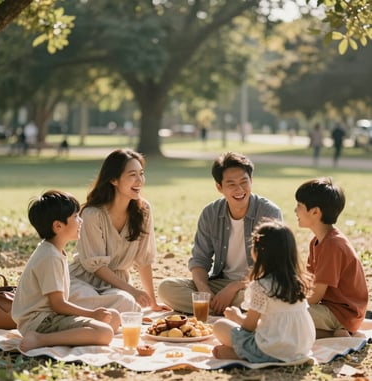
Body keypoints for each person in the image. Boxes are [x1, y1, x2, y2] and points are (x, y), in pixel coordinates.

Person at [158, 152, 283, 315]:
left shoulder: (268, 212)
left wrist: (234, 287)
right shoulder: (210, 213)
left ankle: (217, 308)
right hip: (220, 284)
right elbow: (200, 260)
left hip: (258, 284)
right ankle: (231, 309)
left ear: (251, 181)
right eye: (231, 184)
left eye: (244, 182)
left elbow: (271, 266)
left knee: (267, 297)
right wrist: (205, 292)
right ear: (219, 187)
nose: (239, 189)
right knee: (166, 288)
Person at [11, 190, 120, 352]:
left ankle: (70, 335)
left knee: (114, 317)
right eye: (76, 216)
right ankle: (41, 339)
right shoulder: (50, 256)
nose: (81, 220)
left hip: (49, 317)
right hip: (39, 322)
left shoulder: (54, 251)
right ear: (58, 226)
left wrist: (92, 315)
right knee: (105, 333)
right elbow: (58, 305)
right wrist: (91, 314)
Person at [69, 149, 170, 313]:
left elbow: (144, 260)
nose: (140, 181)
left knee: (124, 302)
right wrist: (132, 291)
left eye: (141, 174)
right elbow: (97, 267)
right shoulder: (92, 214)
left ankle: (93, 314)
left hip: (117, 286)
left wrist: (152, 302)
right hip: (83, 280)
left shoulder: (143, 210)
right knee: (79, 296)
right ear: (114, 179)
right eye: (132, 175)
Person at [212, 219, 316, 362]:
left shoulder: (261, 286)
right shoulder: (298, 283)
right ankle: (248, 354)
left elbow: (249, 327)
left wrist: (235, 316)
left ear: (259, 251)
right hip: (300, 349)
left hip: (271, 349)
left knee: (220, 326)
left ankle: (247, 355)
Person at [294, 177, 368, 338]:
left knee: (284, 317)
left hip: (342, 313)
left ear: (315, 212)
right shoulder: (318, 241)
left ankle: (341, 330)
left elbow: (315, 295)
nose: (295, 211)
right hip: (329, 308)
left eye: (299, 206)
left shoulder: (333, 245)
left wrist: (289, 306)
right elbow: (309, 283)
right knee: (282, 314)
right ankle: (334, 333)